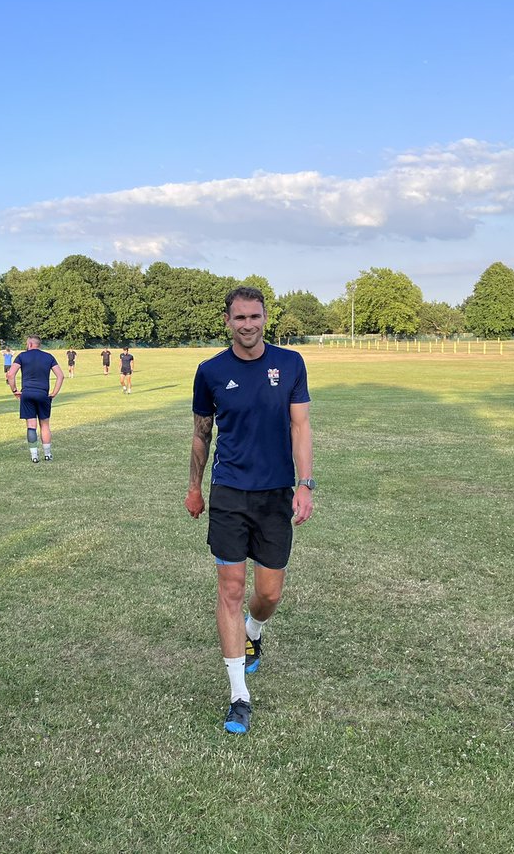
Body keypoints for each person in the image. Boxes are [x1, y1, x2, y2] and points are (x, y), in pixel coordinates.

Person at [184, 286, 314, 735]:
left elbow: (300, 426)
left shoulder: (291, 363)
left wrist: (305, 483)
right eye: (239, 318)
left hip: (276, 493)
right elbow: (202, 435)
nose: (247, 325)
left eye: (254, 317)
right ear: (227, 321)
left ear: (264, 318)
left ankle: (255, 632)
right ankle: (239, 694)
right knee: (231, 588)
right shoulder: (210, 372)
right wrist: (194, 487)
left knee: (269, 594)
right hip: (229, 493)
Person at [5, 335, 63, 463]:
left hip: (27, 393)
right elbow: (60, 376)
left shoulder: (22, 356)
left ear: (30, 344)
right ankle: (47, 454)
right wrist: (54, 393)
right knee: (45, 425)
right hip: (43, 394)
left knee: (31, 425)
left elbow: (10, 374)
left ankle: (34, 456)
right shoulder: (49, 357)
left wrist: (15, 391)